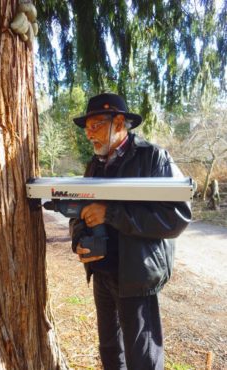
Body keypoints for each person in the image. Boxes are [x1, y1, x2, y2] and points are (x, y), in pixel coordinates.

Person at [70, 93, 191, 370]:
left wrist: (111, 214)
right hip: (101, 274)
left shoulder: (153, 158)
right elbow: (79, 208)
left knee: (143, 359)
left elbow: (176, 217)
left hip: (137, 276)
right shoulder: (95, 164)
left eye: (96, 125)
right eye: (87, 128)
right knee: (110, 351)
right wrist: (79, 239)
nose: (89, 135)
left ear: (120, 122)